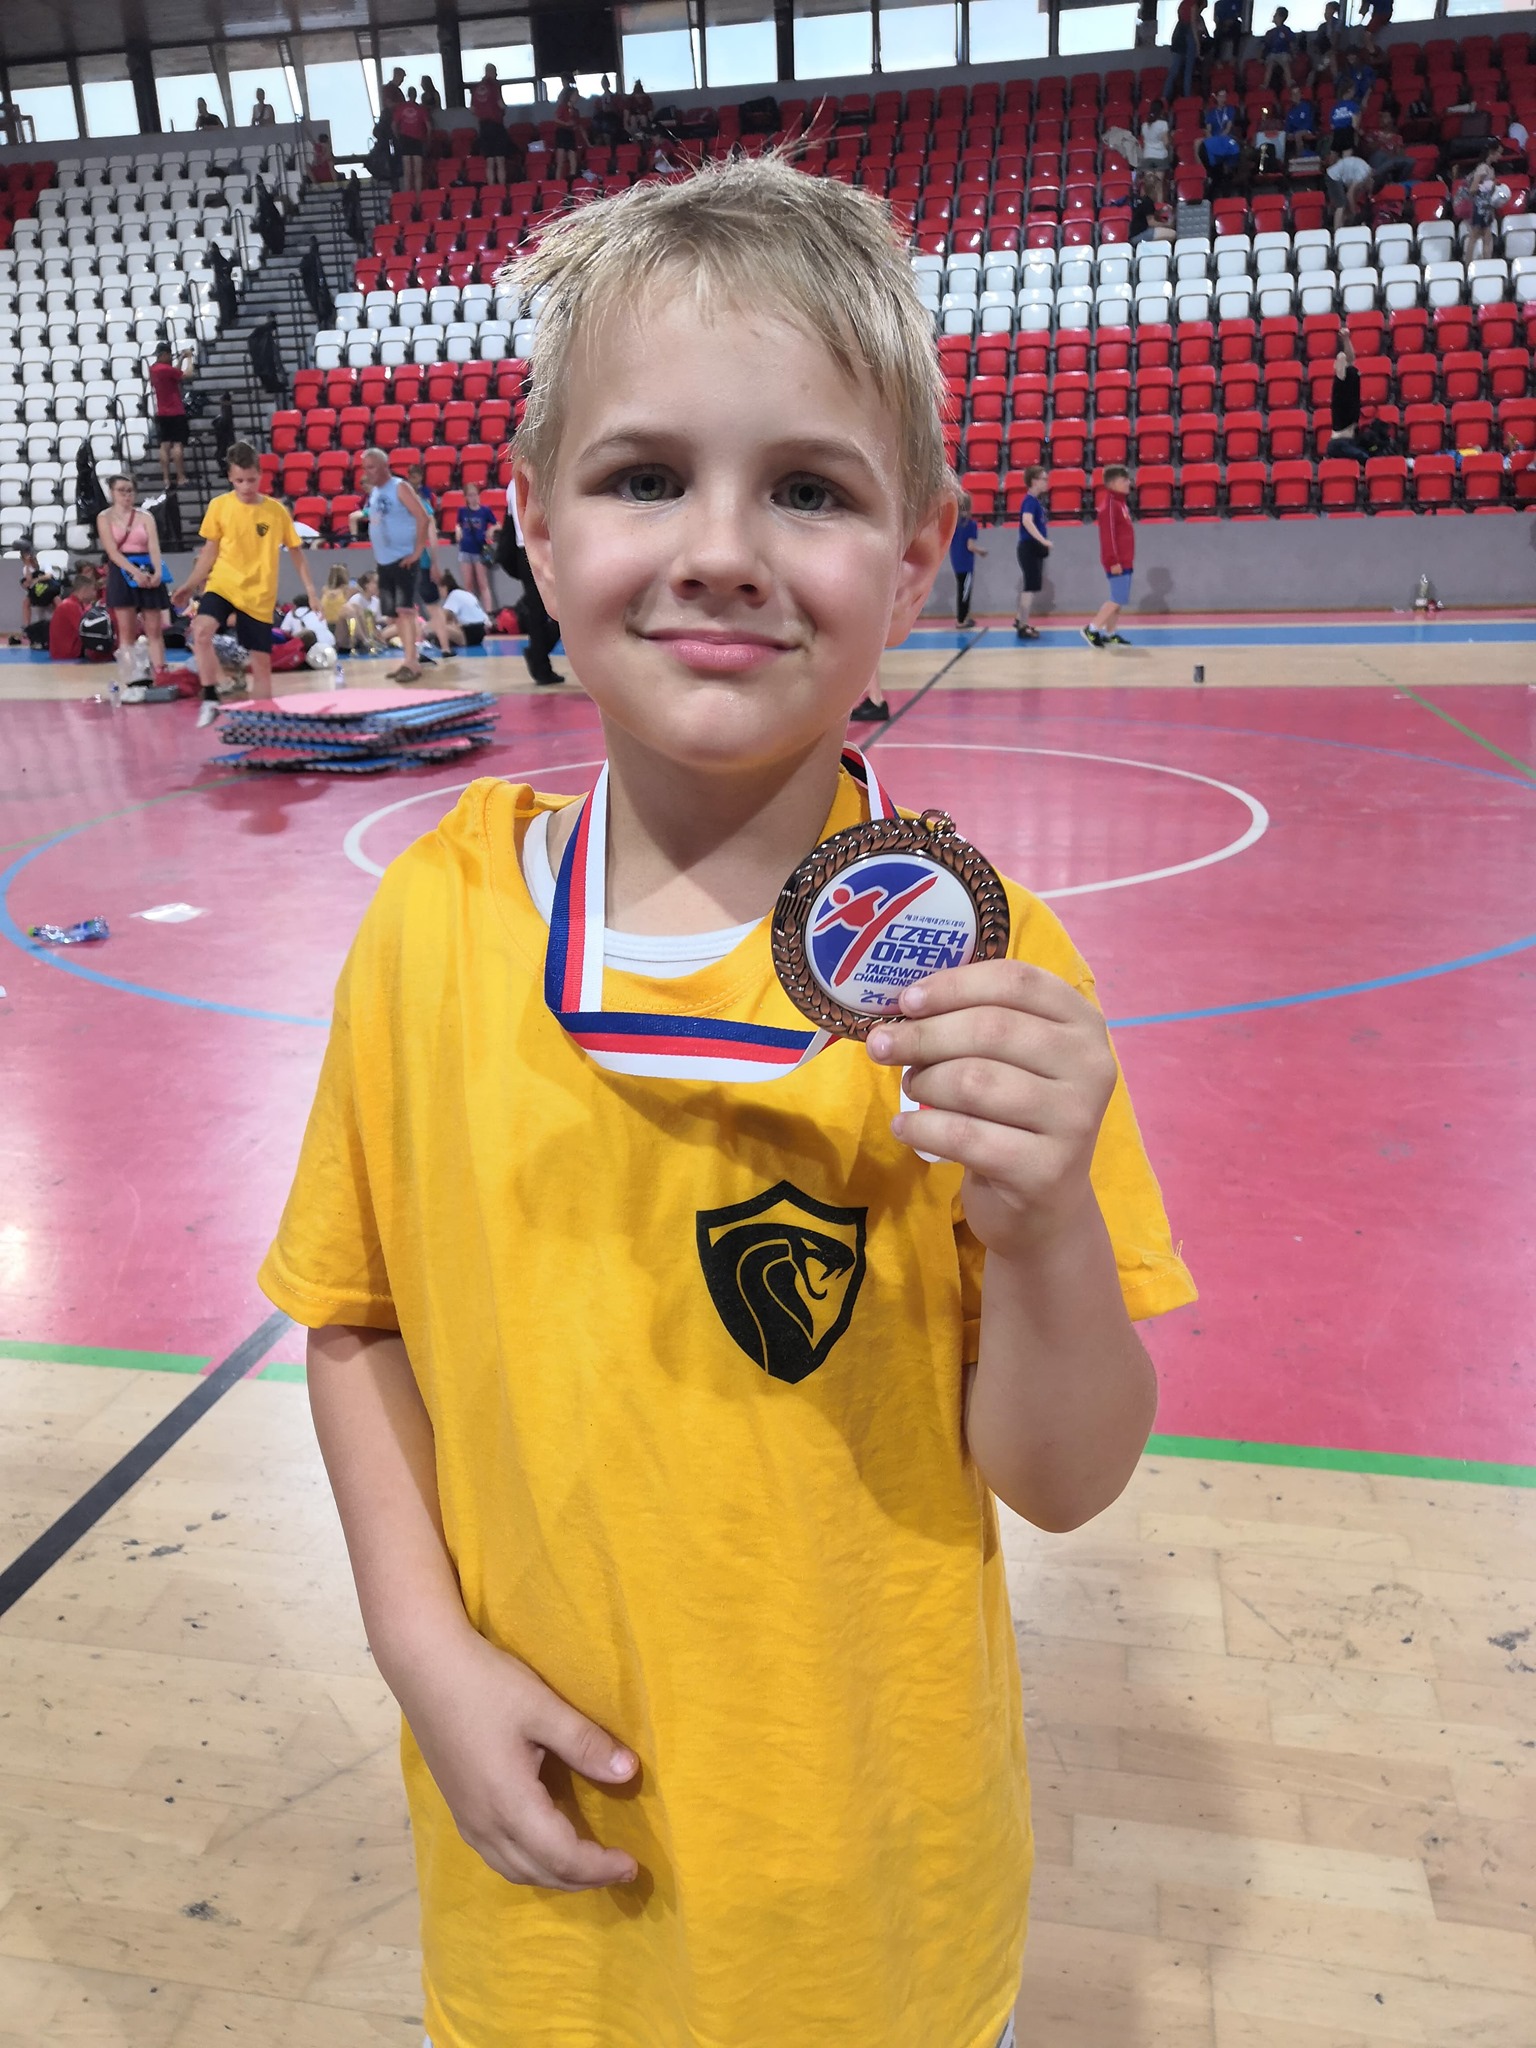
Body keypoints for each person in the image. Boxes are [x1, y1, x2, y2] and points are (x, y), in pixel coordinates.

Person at [257, 156, 1195, 2048]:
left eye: (810, 491)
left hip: (876, 1914)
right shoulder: (435, 920)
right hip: (546, 1897)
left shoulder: (990, 981)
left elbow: (1064, 1475)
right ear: (530, 526)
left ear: (915, 556)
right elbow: (354, 1323)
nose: (720, 548)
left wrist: (1044, 1225)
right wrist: (418, 1646)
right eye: (642, 475)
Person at [172, 440, 321, 728]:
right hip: (224, 583)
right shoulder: (219, 506)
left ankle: (262, 721)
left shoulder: (276, 511)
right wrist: (190, 585)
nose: (246, 486)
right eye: (239, 480)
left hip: (258, 593)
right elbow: (209, 551)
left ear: (260, 474)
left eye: (251, 480)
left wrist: (311, 592)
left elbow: (297, 553)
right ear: (230, 477)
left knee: (261, 665)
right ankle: (211, 697)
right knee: (200, 631)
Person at [350, 447, 442, 683]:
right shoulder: (375, 493)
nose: (367, 472)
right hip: (385, 562)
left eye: (371, 467)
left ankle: (412, 662)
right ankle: (407, 659)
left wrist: (417, 552)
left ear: (384, 466)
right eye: (365, 468)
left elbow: (423, 517)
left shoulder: (400, 487)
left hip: (403, 559)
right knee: (395, 616)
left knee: (405, 611)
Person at [97, 476, 170, 684]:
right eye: (121, 490)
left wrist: (157, 572)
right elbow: (112, 552)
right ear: (112, 493)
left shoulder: (145, 516)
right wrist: (134, 572)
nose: (126, 495)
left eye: (130, 490)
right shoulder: (105, 517)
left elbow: (154, 546)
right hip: (122, 568)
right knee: (126, 631)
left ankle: (160, 673)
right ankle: (130, 676)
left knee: (154, 629)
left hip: (146, 566)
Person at [495, 493, 564, 686]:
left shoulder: (512, 488)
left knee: (541, 612)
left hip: (525, 550)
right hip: (540, 548)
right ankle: (539, 660)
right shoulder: (524, 484)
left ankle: (539, 659)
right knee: (559, 610)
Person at [1084, 464, 1135, 648]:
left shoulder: (1120, 504)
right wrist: (1113, 561)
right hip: (1116, 561)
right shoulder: (1110, 506)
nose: (1128, 483)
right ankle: (1092, 628)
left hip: (1125, 559)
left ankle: (1110, 633)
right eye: (1124, 480)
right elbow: (1108, 537)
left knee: (1119, 599)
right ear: (1112, 483)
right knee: (1117, 598)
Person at [147, 342, 196, 491]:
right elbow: (187, 374)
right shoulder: (166, 369)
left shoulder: (154, 369)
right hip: (175, 411)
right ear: (165, 355)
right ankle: (181, 477)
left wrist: (180, 359)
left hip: (162, 412)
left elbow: (174, 374)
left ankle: (166, 479)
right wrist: (189, 358)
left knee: (164, 445)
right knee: (177, 445)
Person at [1014, 466, 1051, 640]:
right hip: (1028, 547)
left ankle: (1019, 619)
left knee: (1031, 585)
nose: (1046, 482)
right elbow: (1027, 521)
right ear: (1034, 481)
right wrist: (1043, 540)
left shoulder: (1035, 502)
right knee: (1029, 587)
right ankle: (1023, 626)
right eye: (1044, 479)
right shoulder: (1029, 501)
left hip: (1032, 548)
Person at [454, 478, 498, 611]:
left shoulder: (485, 510)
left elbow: (497, 524)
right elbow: (458, 524)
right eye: (470, 495)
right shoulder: (462, 511)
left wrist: (491, 529)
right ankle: (471, 612)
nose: (473, 498)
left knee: (482, 583)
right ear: (466, 497)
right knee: (468, 585)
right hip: (465, 550)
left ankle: (489, 612)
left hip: (479, 550)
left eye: (475, 494)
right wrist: (458, 529)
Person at [1200, 88, 1244, 197]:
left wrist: (1220, 139)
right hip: (1215, 139)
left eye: (1225, 96)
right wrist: (1213, 140)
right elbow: (1208, 130)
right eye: (1221, 96)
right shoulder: (1211, 113)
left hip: (1227, 138)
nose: (1223, 99)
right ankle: (1206, 173)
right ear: (1216, 97)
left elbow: (1228, 128)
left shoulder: (1230, 110)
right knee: (1200, 144)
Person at [48, 571, 99, 662]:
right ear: (84, 590)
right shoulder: (71, 606)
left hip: (66, 653)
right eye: (93, 590)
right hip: (67, 655)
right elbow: (85, 630)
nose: (95, 594)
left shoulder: (75, 604)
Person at [470, 65, 508, 186]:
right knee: (500, 160)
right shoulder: (494, 86)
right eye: (495, 72)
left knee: (489, 161)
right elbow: (500, 104)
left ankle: (491, 188)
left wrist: (482, 113)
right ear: (490, 72)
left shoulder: (476, 88)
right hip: (496, 125)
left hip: (483, 126)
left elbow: (472, 109)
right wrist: (504, 110)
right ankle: (502, 188)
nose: (496, 75)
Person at [1164, 0, 1206, 104]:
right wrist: (1198, 46)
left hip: (1179, 35)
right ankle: (1187, 97)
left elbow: (1181, 18)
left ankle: (1164, 97)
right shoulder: (1193, 5)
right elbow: (1193, 26)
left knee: (1174, 70)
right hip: (1188, 36)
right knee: (1188, 70)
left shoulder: (1183, 3)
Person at [950, 491, 980, 628]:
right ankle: (961, 620)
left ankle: (963, 617)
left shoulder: (953, 525)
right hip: (966, 563)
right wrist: (982, 551)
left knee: (960, 588)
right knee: (965, 592)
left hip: (956, 561)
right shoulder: (971, 524)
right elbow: (970, 546)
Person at [18, 549, 59, 650]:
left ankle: (60, 623)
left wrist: (37, 579)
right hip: (37, 592)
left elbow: (49, 576)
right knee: (26, 602)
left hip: (48, 589)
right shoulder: (26, 569)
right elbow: (28, 582)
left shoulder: (44, 564)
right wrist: (27, 565)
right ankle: (27, 627)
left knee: (57, 600)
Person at [438, 567, 489, 646]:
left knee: (437, 626)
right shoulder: (466, 593)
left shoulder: (453, 595)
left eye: (439, 590)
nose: (439, 593)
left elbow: (443, 618)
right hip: (481, 633)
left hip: (470, 633)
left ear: (444, 587)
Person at [393, 89, 431, 193]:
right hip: (417, 140)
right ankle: (417, 196)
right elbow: (429, 127)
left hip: (406, 139)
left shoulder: (401, 108)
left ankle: (408, 196)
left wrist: (398, 137)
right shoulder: (420, 109)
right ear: (416, 95)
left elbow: (394, 125)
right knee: (417, 171)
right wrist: (427, 139)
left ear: (407, 95)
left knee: (407, 171)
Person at [553, 75, 585, 183]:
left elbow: (577, 126)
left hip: (570, 134)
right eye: (575, 95)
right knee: (560, 162)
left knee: (573, 160)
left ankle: (572, 181)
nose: (577, 97)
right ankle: (558, 184)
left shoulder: (576, 111)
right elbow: (556, 119)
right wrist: (566, 124)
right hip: (562, 134)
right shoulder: (562, 107)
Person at [1261, 7, 1297, 89]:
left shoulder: (1286, 30)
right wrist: (1261, 57)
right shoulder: (1270, 32)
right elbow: (1265, 45)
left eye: (1276, 15)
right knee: (1270, 65)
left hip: (1283, 52)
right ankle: (1265, 84)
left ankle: (1289, 82)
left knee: (1285, 64)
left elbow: (1291, 42)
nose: (1273, 16)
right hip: (1273, 53)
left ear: (1281, 17)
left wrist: (1293, 54)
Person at [1139, 97, 1171, 176]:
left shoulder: (1144, 125)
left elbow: (1144, 142)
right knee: (1158, 182)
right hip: (1160, 157)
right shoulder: (1163, 124)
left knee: (1149, 183)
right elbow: (1166, 142)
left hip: (1147, 156)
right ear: (1161, 110)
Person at [1284, 83, 1317, 156]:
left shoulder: (1307, 106)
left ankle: (1300, 157)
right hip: (1295, 132)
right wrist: (1288, 133)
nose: (1296, 96)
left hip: (1308, 130)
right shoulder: (1290, 110)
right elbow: (1288, 125)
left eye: (1297, 93)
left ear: (1301, 94)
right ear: (1291, 97)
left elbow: (1309, 122)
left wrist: (1296, 132)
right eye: (1294, 94)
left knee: (1297, 135)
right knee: (1283, 136)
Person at [1211, 0, 1245, 69]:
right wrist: (1223, 24)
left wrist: (1230, 21)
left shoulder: (1238, 2)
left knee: (1238, 29)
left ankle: (1234, 57)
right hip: (1222, 25)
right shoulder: (1218, 4)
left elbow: (1239, 14)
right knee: (1217, 33)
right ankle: (1217, 59)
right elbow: (1215, 18)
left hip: (1233, 24)